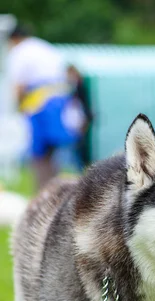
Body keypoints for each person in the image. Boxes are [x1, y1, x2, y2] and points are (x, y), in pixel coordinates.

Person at [7, 25, 80, 191]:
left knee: (38, 151)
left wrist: (17, 108)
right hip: (60, 100)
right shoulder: (44, 47)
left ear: (14, 39)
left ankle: (42, 191)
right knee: (55, 149)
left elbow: (18, 86)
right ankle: (56, 189)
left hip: (39, 103)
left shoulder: (20, 52)